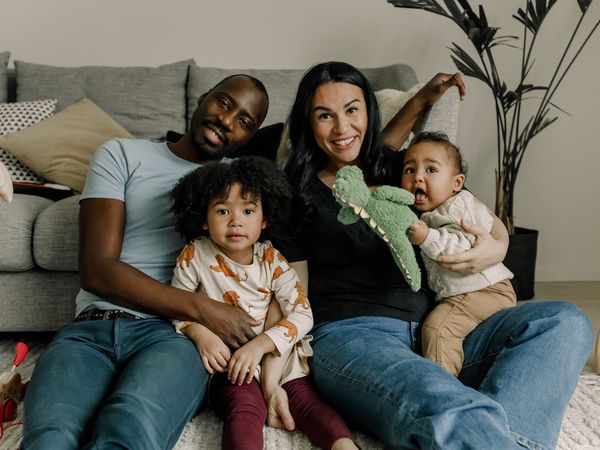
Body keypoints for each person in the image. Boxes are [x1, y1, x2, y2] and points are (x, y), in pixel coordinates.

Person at [273, 61, 592, 450]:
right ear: (308, 123)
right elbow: (292, 293)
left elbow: (473, 214)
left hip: (443, 330)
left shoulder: (402, 168)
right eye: (325, 115)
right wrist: (276, 372)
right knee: (450, 406)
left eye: (352, 110)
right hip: (352, 337)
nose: (342, 128)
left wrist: (498, 245)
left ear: (368, 113)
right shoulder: (293, 194)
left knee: (564, 321)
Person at [21, 74, 272, 450]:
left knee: (128, 427)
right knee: (50, 436)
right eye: (223, 103)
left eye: (245, 122)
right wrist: (207, 309)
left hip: (174, 337)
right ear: (204, 97)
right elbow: (97, 270)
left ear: (249, 139)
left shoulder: (239, 189)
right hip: (90, 330)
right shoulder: (122, 153)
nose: (227, 121)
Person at [169, 156, 358, 450]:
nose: (236, 221)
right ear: (204, 220)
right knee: (245, 408)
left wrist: (260, 345)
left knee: (304, 398)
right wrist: (198, 332)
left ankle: (343, 445)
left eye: (248, 210)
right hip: (231, 362)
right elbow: (175, 305)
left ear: (265, 219)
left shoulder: (271, 259)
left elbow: (302, 313)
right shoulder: (195, 255)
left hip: (273, 354)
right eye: (222, 210)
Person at [401, 131, 516, 376]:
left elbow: (466, 247)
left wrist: (427, 237)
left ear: (457, 183)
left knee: (437, 330)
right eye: (409, 170)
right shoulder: (434, 211)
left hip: (481, 290)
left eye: (431, 170)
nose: (418, 177)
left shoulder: (458, 206)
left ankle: (442, 391)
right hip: (473, 292)